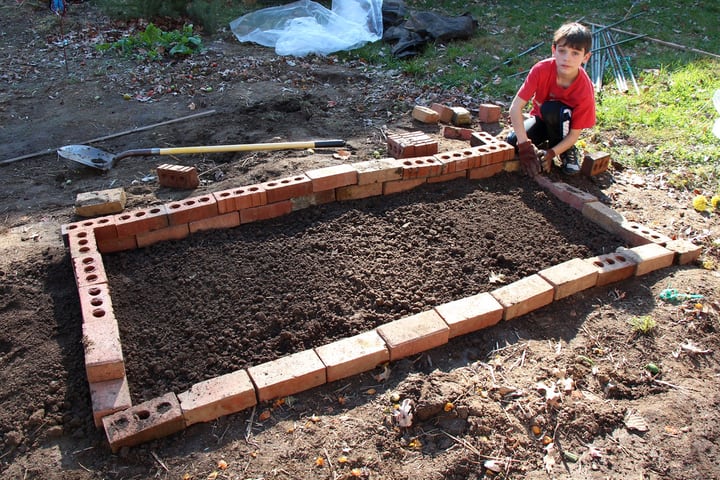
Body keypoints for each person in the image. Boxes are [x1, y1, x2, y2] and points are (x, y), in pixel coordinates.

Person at [506, 22, 595, 177]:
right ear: (554, 50)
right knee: (513, 140)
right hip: (541, 120)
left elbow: (574, 134)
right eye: (562, 51)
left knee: (552, 109)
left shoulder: (585, 89)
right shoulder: (541, 70)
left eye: (575, 53)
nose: (567, 58)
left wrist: (551, 154)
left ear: (585, 57)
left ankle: (564, 150)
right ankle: (543, 144)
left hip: (565, 130)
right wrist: (525, 146)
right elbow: (515, 108)